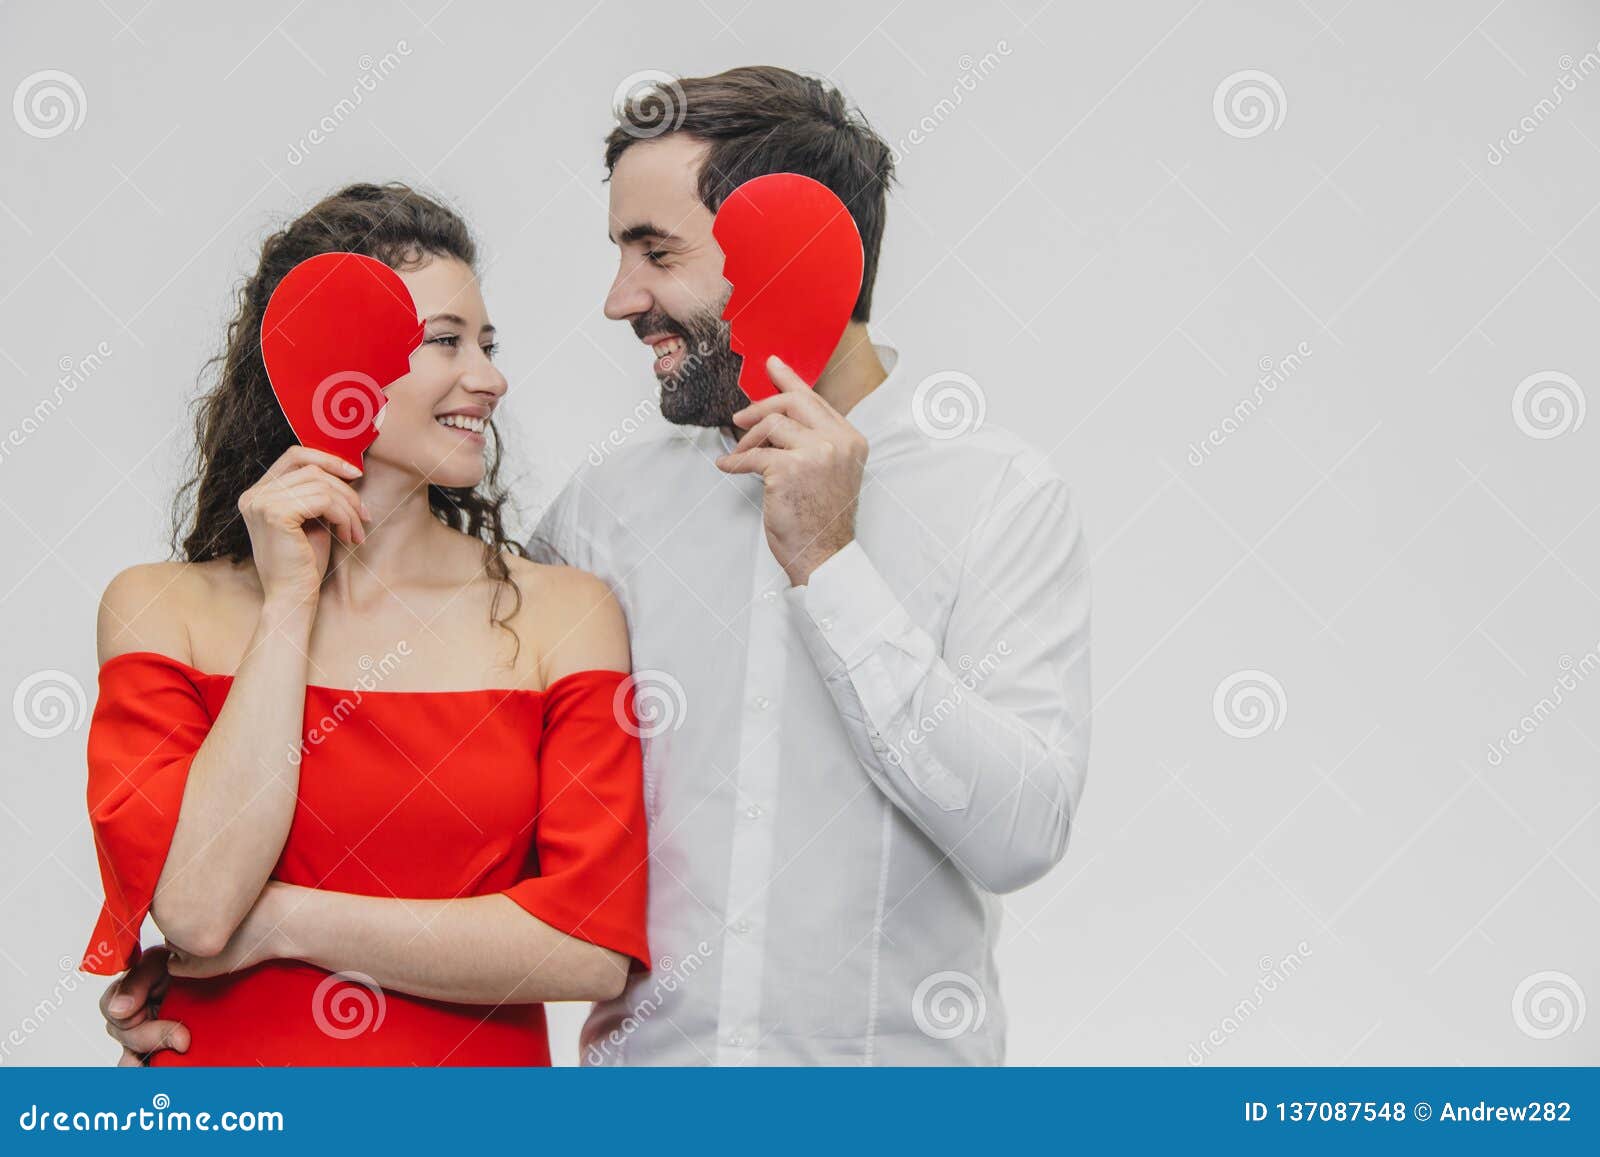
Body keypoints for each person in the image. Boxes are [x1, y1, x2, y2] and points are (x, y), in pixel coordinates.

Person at [103, 66, 1091, 1066]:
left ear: (793, 245)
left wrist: (829, 563)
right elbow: (455, 819)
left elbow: (1018, 836)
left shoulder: (999, 497)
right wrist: (219, 974)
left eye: (654, 251)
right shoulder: (607, 515)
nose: (621, 300)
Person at [82, 183, 649, 1065]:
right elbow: (195, 908)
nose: (490, 377)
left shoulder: (561, 615)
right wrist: (289, 604)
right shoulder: (161, 609)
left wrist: (279, 921)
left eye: (488, 345)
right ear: (329, 359)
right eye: (445, 342)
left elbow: (588, 945)